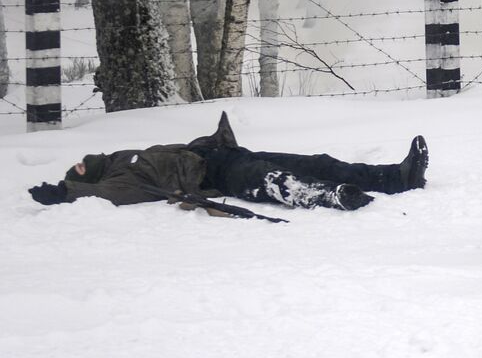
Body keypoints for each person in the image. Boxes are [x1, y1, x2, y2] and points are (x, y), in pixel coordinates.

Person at [27, 112, 429, 213]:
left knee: (318, 161)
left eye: (77, 165)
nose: (78, 163)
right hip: (215, 175)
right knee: (271, 179)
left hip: (225, 154)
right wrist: (64, 191)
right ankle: (334, 198)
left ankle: (397, 177)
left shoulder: (122, 155)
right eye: (75, 168)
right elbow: (103, 195)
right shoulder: (120, 177)